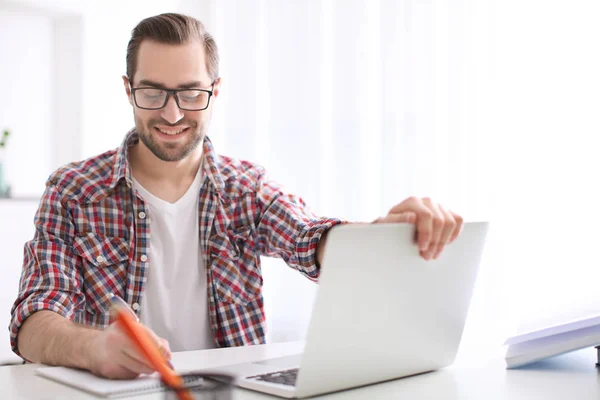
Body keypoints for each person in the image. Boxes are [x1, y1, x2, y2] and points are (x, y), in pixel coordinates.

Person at [9, 13, 463, 380]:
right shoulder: (72, 191)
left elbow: (309, 237)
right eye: (152, 92)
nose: (172, 113)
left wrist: (378, 239)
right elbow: (32, 323)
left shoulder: (245, 188)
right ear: (129, 90)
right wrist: (93, 347)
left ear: (215, 91)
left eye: (190, 93)